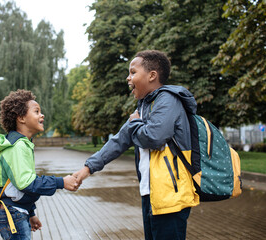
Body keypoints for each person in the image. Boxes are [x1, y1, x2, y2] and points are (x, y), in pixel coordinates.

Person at [73, 50, 200, 240]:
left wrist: (134, 123)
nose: (128, 78)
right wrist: (87, 168)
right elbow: (119, 140)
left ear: (152, 76)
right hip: (151, 193)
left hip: (170, 194)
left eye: (133, 72)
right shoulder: (143, 107)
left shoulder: (168, 100)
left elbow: (154, 137)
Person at [0, 89, 78, 240]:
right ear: (21, 118)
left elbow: (18, 185)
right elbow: (26, 183)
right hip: (12, 213)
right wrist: (60, 182)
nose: (42, 115)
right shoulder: (17, 147)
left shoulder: (23, 144)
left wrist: (31, 213)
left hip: (17, 211)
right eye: (36, 111)